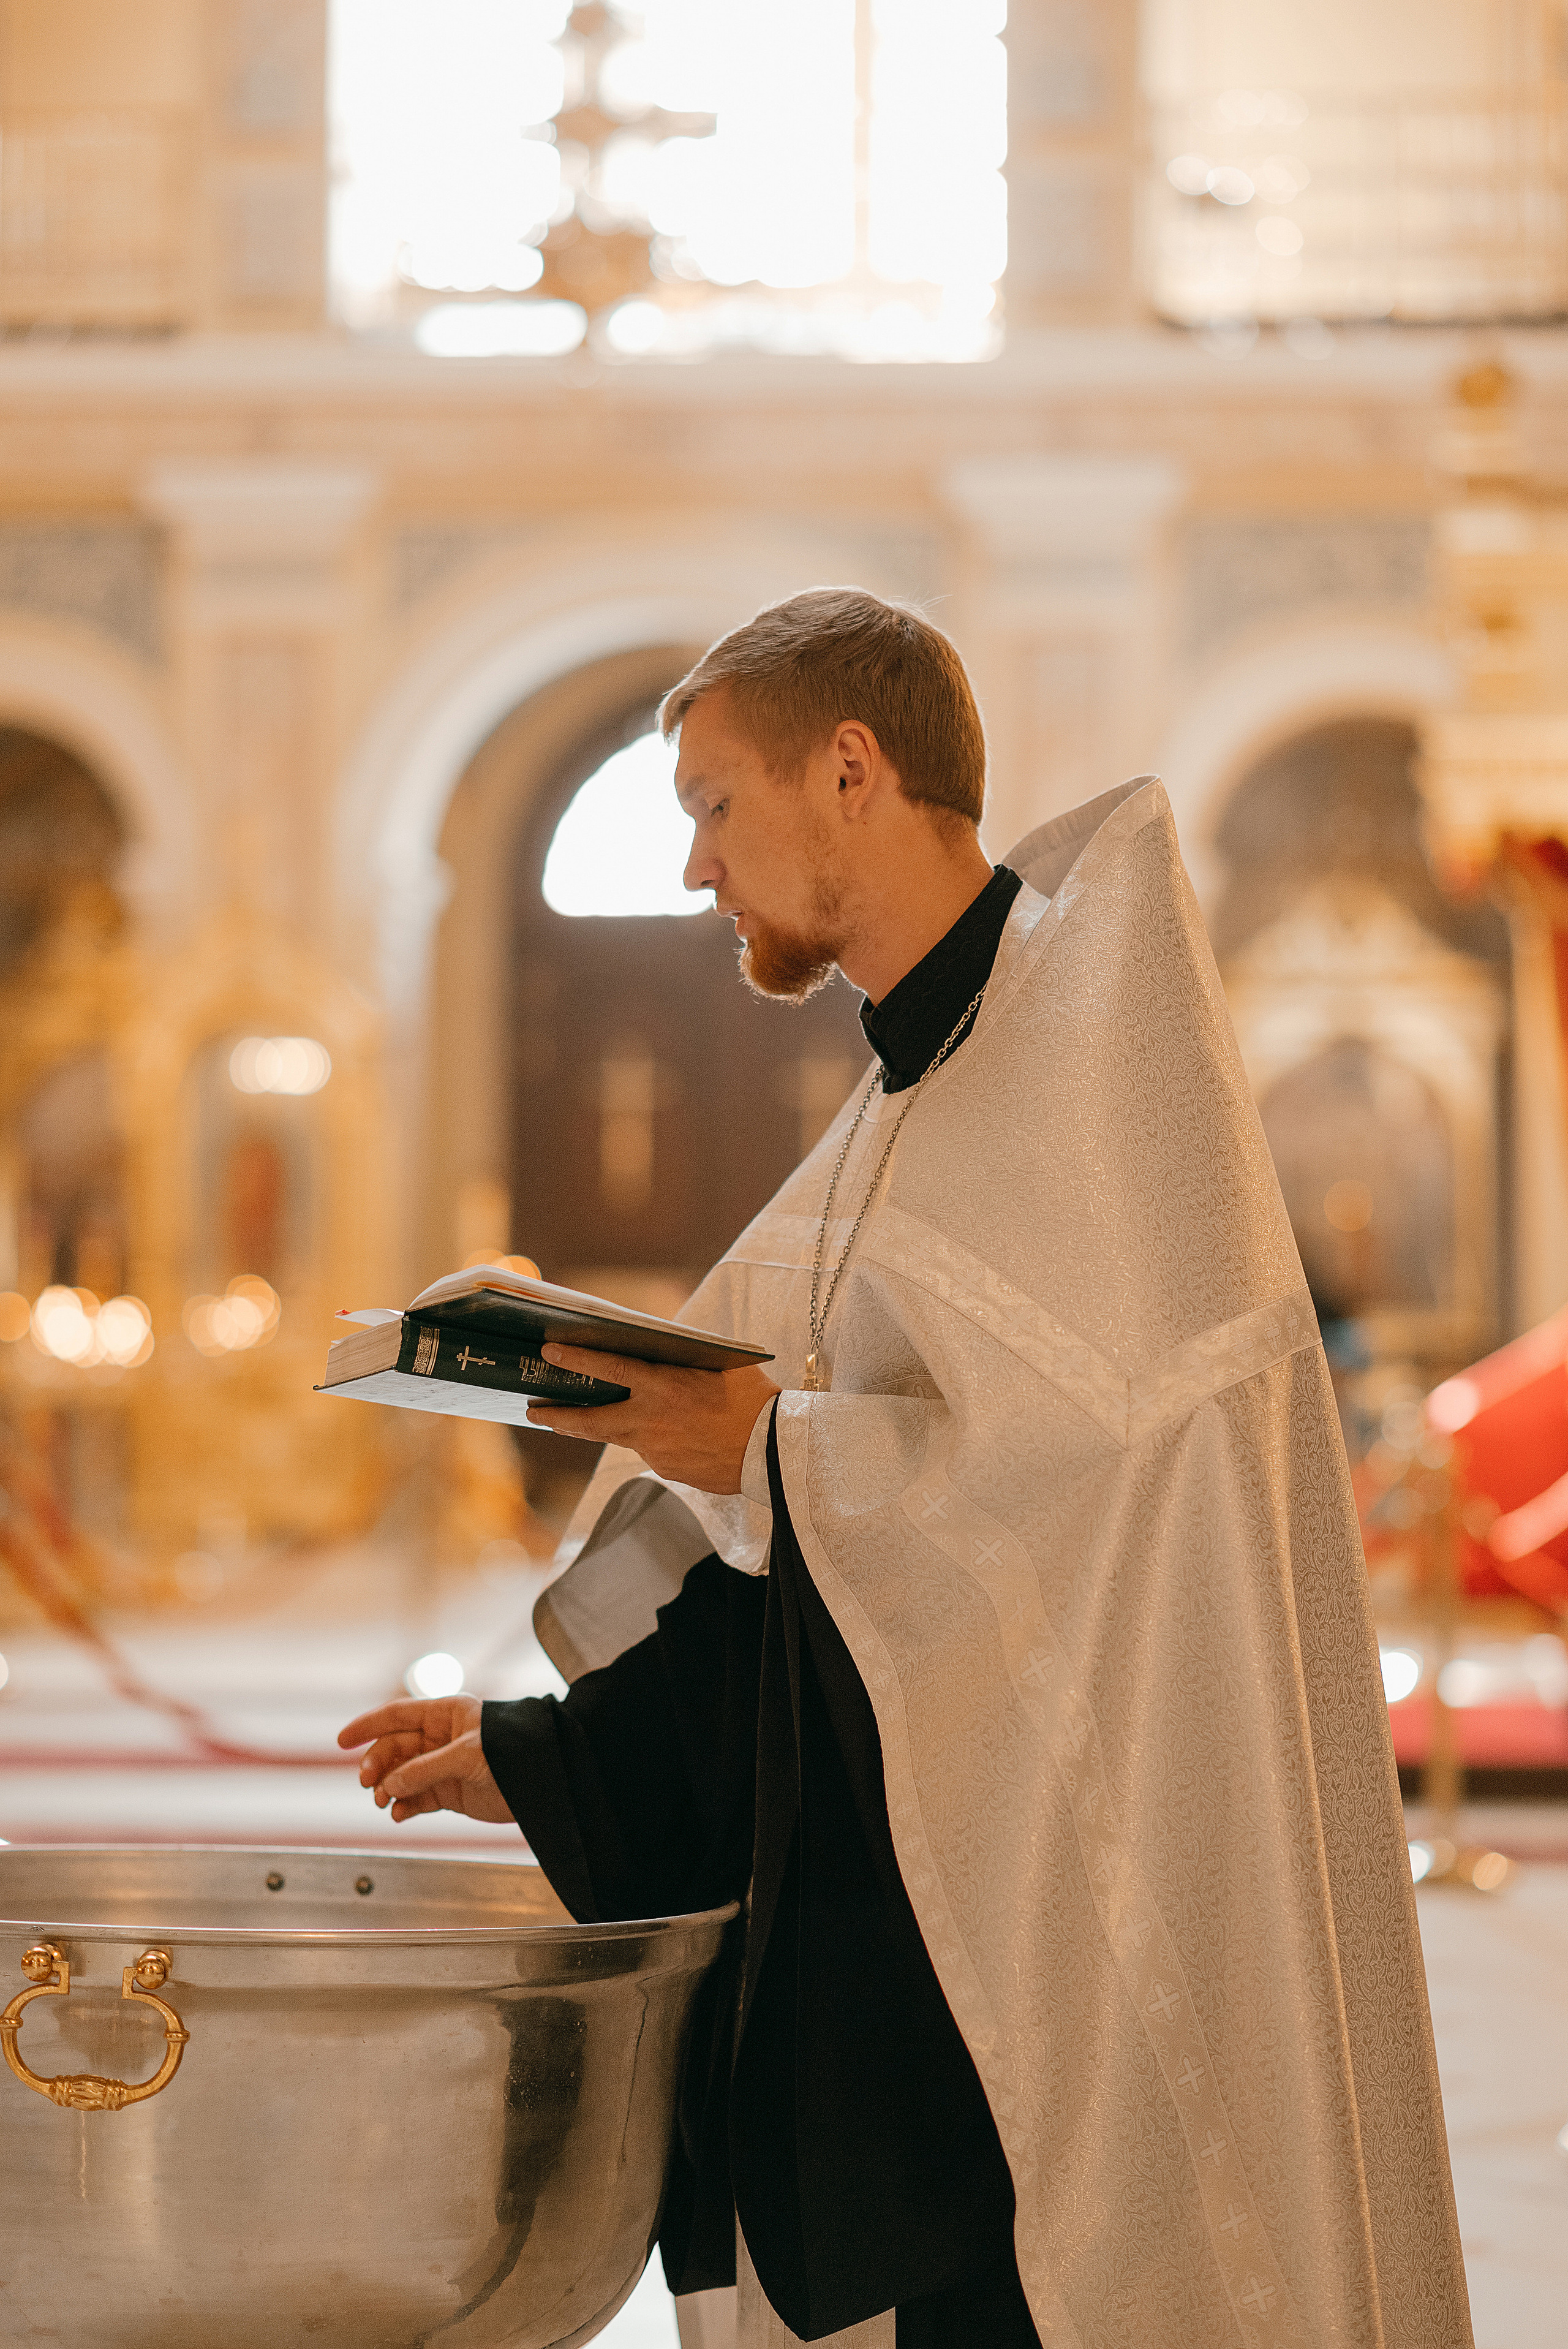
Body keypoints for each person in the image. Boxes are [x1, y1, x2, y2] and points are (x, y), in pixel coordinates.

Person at [339, 589, 1472, 2349]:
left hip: (1065, 1951)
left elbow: (1094, 1503)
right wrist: (555, 1753)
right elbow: (834, 1581)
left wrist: (767, 1445)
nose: (699, 869)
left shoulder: (1084, 1076)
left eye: (715, 805)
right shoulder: (904, 1104)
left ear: (851, 768)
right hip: (913, 1949)